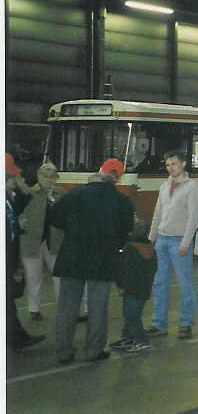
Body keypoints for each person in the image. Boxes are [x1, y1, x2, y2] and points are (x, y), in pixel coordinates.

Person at [49, 158, 133, 363]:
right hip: (102, 260)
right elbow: (127, 230)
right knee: (98, 307)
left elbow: (55, 218)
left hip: (72, 257)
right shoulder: (122, 201)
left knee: (67, 306)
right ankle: (93, 350)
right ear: (118, 179)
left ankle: (63, 351)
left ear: (99, 172)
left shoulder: (75, 194)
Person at [147, 150, 198, 340]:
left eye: (174, 164)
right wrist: (151, 238)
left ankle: (186, 324)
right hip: (162, 240)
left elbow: (194, 218)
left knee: (185, 284)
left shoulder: (192, 188)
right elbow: (157, 213)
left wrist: (186, 242)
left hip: (179, 241)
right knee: (160, 283)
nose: (170, 168)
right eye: (168, 165)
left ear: (183, 164)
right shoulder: (164, 186)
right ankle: (158, 324)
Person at [6, 154, 46, 352]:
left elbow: (14, 213)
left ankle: (17, 338)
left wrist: (17, 225)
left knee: (7, 303)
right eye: (13, 177)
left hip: (8, 258)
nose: (17, 180)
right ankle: (16, 339)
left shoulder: (7, 197)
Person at [18, 162, 66, 321]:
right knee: (33, 277)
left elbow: (68, 216)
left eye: (52, 177)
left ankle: (63, 309)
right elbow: (17, 212)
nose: (48, 180)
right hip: (31, 241)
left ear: (56, 178)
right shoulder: (28, 193)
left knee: (60, 277)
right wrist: (20, 220)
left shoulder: (62, 195)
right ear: (39, 177)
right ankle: (34, 309)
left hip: (55, 242)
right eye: (45, 176)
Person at [109, 218, 156, 353]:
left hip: (130, 289)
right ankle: (128, 338)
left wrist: (120, 285)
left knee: (131, 316)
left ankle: (142, 340)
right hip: (143, 289)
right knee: (133, 314)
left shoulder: (130, 249)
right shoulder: (151, 249)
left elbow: (122, 269)